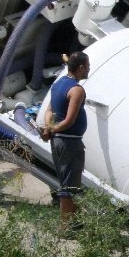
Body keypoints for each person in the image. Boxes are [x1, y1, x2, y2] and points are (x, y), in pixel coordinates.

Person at [40, 51, 90, 231]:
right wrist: (51, 129)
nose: (89, 69)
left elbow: (49, 111)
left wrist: (48, 127)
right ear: (81, 67)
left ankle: (73, 222)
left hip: (58, 141)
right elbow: (70, 120)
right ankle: (65, 226)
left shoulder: (58, 84)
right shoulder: (76, 90)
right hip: (70, 142)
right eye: (88, 66)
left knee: (67, 182)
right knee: (70, 185)